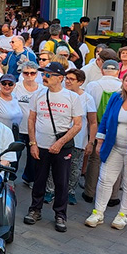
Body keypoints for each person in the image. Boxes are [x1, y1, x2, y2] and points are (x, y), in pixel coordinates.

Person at [24, 62, 83, 233]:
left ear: (60, 78)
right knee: (39, 179)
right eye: (44, 74)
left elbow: (77, 125)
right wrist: (33, 143)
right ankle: (35, 209)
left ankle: (60, 214)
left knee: (61, 182)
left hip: (62, 147)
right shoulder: (38, 95)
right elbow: (31, 120)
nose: (44, 77)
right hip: (41, 145)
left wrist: (60, 143)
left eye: (48, 75)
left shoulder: (72, 98)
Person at [85, 70, 127, 230]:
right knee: (105, 179)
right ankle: (98, 212)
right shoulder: (116, 97)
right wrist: (100, 140)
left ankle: (123, 215)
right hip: (113, 146)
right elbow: (106, 118)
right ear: (122, 82)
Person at [43, 69, 96, 205]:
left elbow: (93, 122)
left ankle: (70, 191)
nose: (68, 81)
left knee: (74, 168)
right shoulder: (59, 95)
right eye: (67, 78)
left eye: (72, 79)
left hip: (78, 140)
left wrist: (90, 142)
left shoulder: (87, 98)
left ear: (81, 82)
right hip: (58, 137)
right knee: (53, 166)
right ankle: (50, 190)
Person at [83, 60, 123, 204]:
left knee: (94, 159)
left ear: (102, 70)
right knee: (116, 160)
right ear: (118, 71)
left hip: (97, 125)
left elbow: (86, 107)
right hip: (118, 127)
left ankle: (89, 192)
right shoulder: (123, 86)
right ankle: (113, 196)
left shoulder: (93, 85)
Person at [13, 61, 43, 185]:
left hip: (35, 129)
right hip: (19, 127)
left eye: (32, 73)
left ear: (36, 74)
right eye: (26, 73)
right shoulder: (15, 87)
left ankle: (29, 179)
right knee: (14, 155)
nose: (29, 75)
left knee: (33, 157)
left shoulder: (43, 89)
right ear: (22, 74)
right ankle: (11, 177)